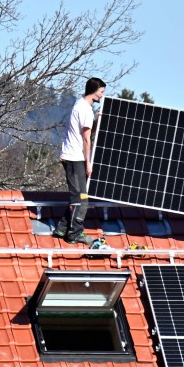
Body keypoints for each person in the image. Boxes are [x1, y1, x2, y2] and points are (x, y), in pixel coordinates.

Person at [53, 77, 106, 246]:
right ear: (94, 91)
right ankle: (75, 233)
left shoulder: (82, 105)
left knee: (78, 196)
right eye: (102, 92)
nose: (103, 95)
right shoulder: (84, 110)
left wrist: (96, 120)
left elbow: (87, 131)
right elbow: (86, 139)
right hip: (75, 159)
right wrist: (88, 163)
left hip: (73, 158)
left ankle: (62, 228)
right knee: (81, 199)